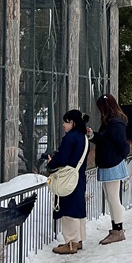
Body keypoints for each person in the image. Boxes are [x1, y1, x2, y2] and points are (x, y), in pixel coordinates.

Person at [44, 109, 90, 254]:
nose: (63, 125)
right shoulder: (84, 138)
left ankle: (71, 243)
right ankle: (79, 239)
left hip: (68, 177)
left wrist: (51, 162)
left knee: (69, 208)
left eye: (65, 121)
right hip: (79, 176)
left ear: (72, 122)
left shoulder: (70, 138)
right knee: (78, 207)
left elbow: (62, 159)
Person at [93, 93, 131, 245]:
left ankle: (118, 229)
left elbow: (122, 145)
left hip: (112, 163)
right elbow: (105, 140)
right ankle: (116, 227)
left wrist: (119, 157)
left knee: (113, 197)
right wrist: (93, 136)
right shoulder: (110, 122)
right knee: (111, 197)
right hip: (109, 162)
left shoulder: (115, 124)